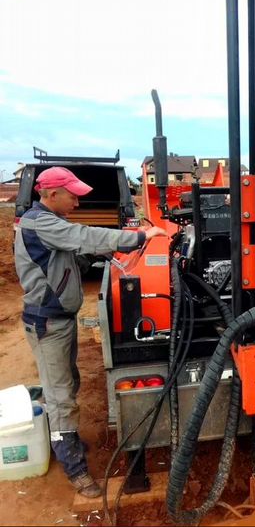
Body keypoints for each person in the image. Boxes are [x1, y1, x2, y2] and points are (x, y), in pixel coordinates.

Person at [14, 166, 166, 498]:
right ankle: (75, 467)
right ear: (52, 195)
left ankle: (64, 437)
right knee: (61, 397)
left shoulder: (48, 222)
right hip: (48, 323)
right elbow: (85, 237)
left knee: (68, 383)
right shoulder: (41, 223)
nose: (78, 204)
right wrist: (140, 237)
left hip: (57, 320)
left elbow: (69, 255)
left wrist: (101, 257)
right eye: (74, 196)